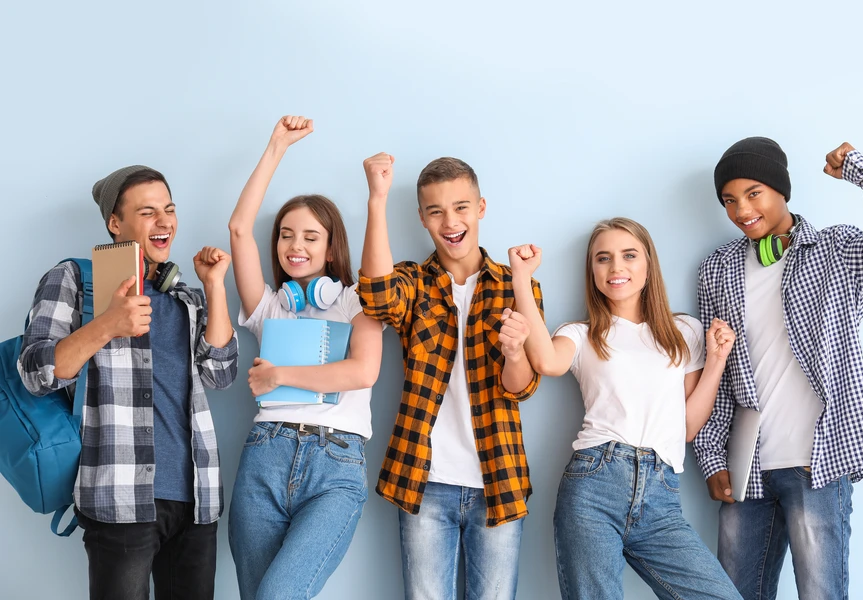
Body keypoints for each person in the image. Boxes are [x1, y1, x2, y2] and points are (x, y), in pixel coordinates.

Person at [18, 165, 239, 600]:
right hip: (119, 497)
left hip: (196, 499)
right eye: (148, 212)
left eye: (169, 210)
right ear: (115, 224)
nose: (165, 221)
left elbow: (222, 372)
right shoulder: (73, 280)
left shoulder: (185, 297)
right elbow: (35, 372)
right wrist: (106, 325)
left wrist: (214, 287)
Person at [693, 138, 863, 599]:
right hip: (748, 469)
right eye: (729, 199)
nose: (741, 209)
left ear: (782, 190)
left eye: (754, 192)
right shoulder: (717, 269)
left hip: (819, 463)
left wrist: (861, 172)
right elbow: (717, 370)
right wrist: (711, 458)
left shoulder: (836, 251)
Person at [509, 219, 741, 600]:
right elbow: (547, 362)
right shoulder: (580, 334)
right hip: (595, 485)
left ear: (648, 265)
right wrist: (521, 278)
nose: (616, 268)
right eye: (603, 259)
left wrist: (716, 362)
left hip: (662, 494)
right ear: (593, 272)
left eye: (628, 256)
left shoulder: (684, 332)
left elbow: (687, 427)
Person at [356, 152, 542, 599]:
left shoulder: (515, 284)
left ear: (480, 208)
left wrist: (515, 350)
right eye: (435, 211)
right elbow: (378, 299)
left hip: (497, 479)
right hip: (424, 480)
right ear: (421, 218)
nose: (450, 221)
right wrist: (377, 198)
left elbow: (523, 387)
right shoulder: (414, 280)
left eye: (460, 207)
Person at [226, 116, 384, 599]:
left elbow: (363, 371)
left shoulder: (358, 302)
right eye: (286, 235)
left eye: (310, 236)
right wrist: (275, 147)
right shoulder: (269, 306)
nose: (295, 246)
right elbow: (238, 229)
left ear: (331, 245)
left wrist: (278, 375)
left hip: (336, 464)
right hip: (264, 458)